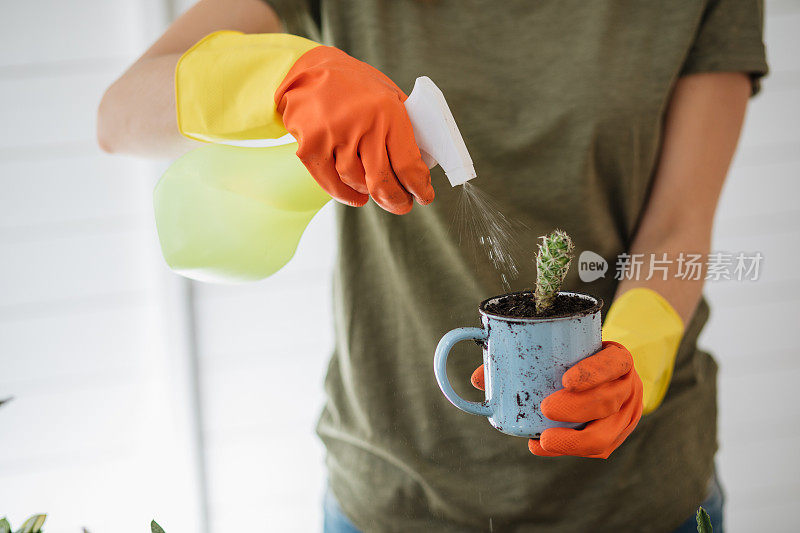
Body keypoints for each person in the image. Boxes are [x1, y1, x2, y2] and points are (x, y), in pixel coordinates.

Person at [97, 0, 768, 531]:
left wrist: (636, 361)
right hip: (394, 493)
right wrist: (286, 79)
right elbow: (121, 115)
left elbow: (680, 222)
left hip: (637, 498)